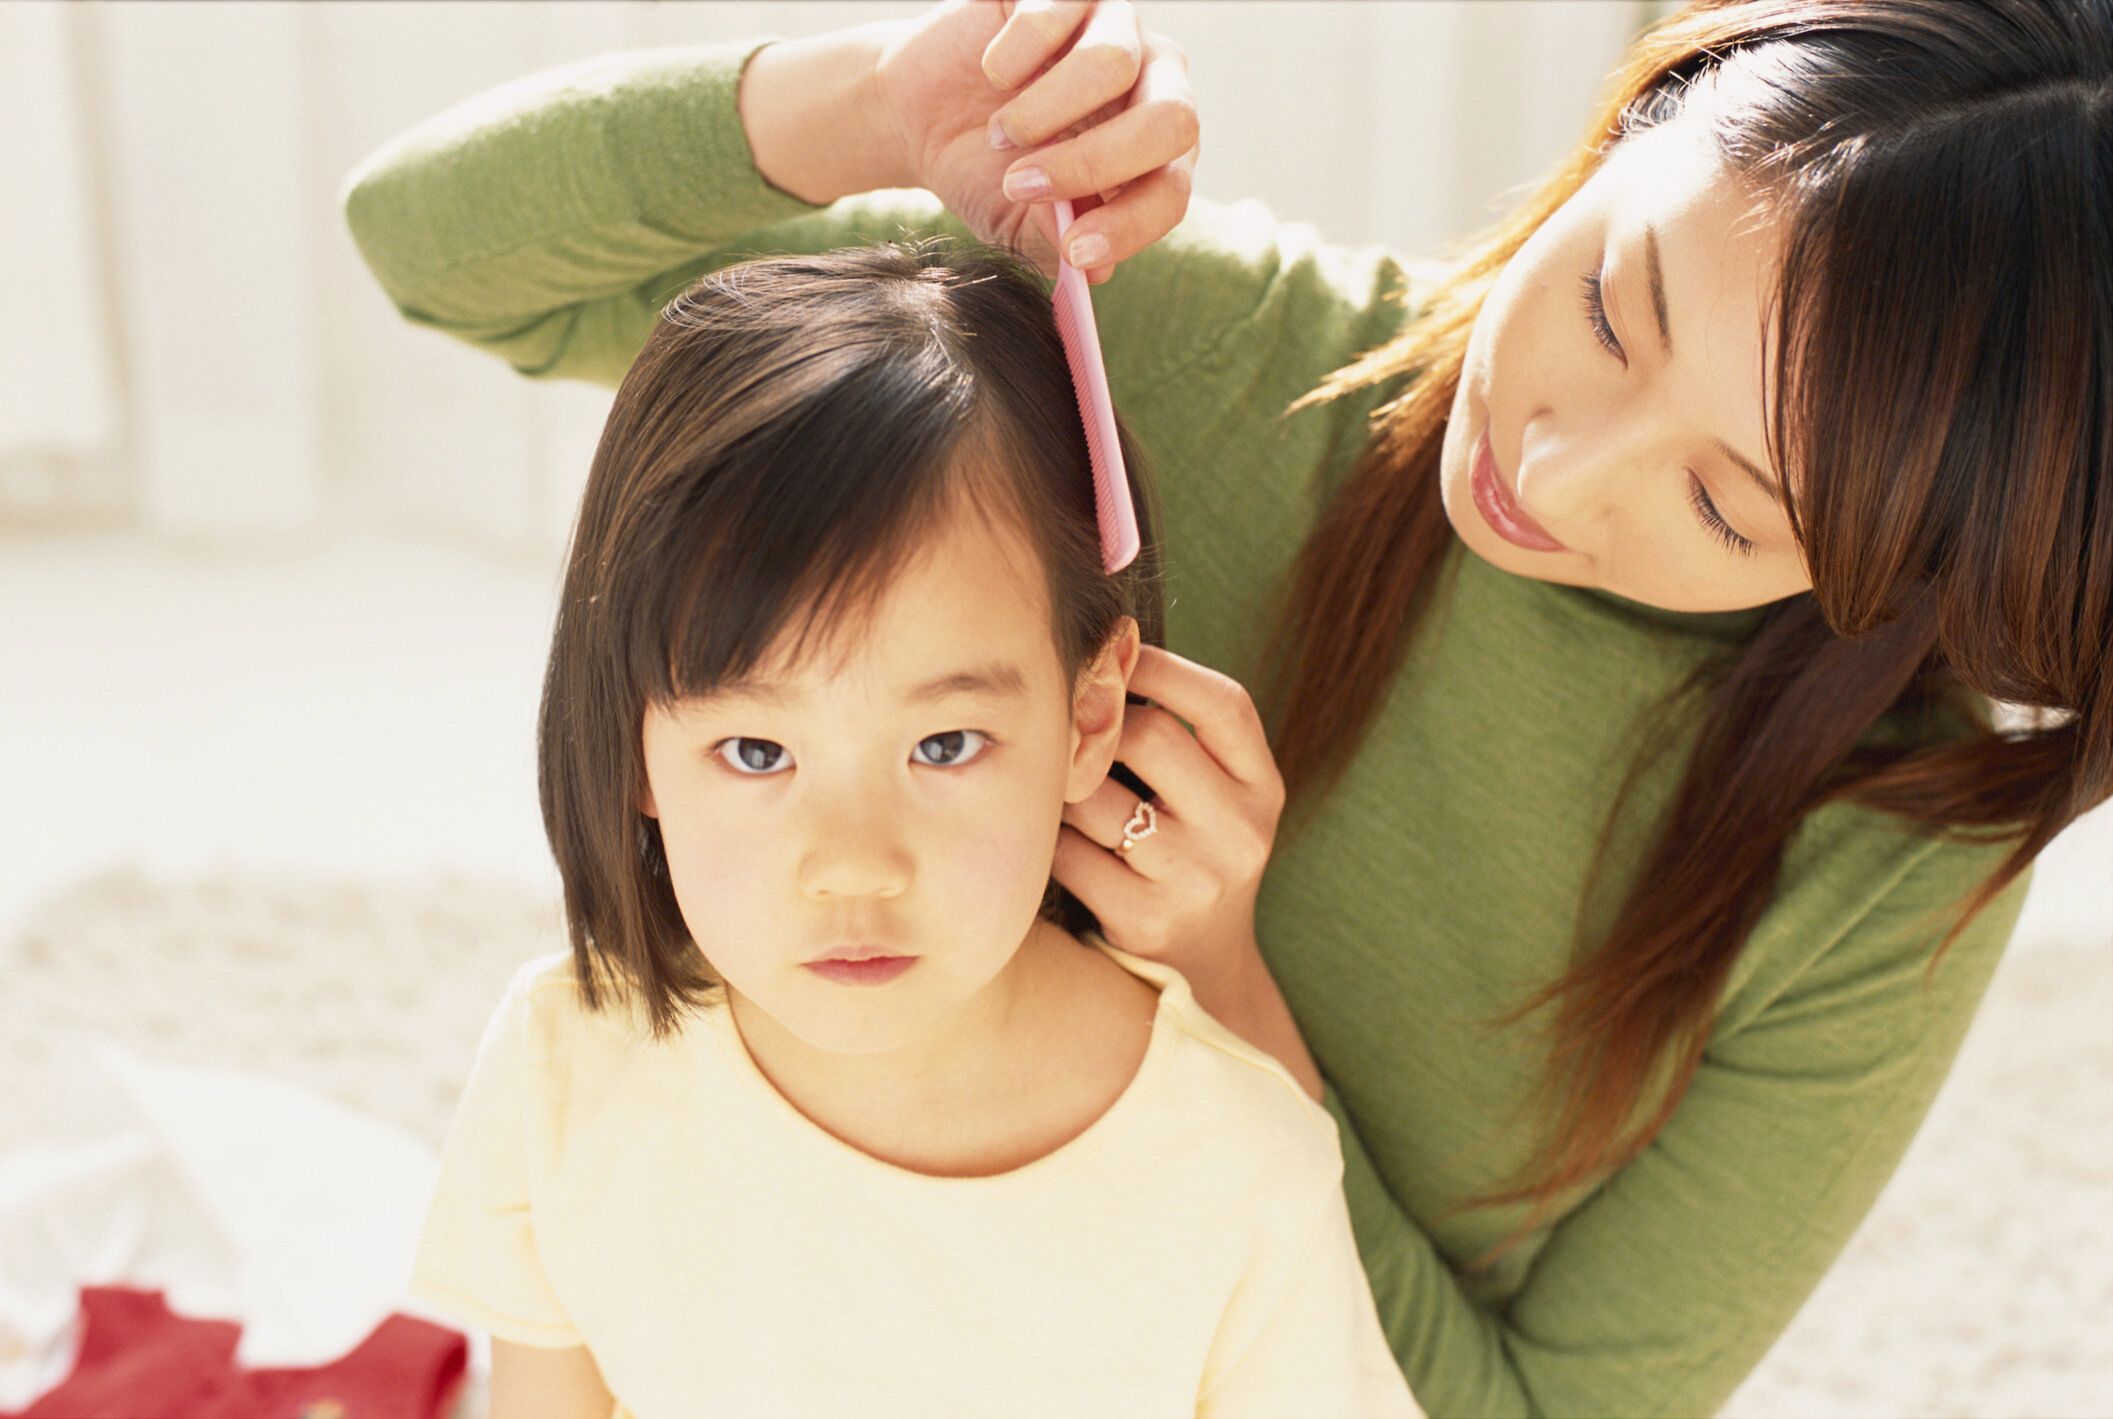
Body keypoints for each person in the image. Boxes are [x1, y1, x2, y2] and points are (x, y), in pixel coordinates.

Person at [344, 1, 2112, 1412]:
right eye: (1606, 304)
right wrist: (878, 103)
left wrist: (1230, 997)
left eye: (1729, 503)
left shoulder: (1872, 859)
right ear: (1640, 110)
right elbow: (433, 252)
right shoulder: (1168, 348)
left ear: (1903, 576)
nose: (1559, 468)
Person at [399, 239, 1422, 1419]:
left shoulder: (1240, 1166)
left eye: (942, 748)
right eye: (755, 752)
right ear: (636, 744)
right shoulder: (566, 1062)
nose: (851, 866)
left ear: (1089, 714)